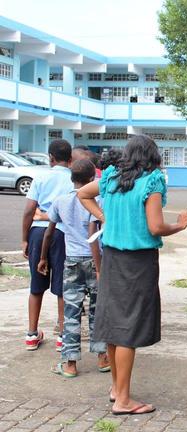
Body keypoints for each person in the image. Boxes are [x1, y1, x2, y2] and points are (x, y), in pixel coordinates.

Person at [78, 135, 187, 415]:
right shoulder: (152, 180)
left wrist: (105, 217)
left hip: (112, 258)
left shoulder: (111, 176)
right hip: (138, 262)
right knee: (128, 330)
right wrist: (179, 225)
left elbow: (82, 193)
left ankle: (116, 389)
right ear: (153, 155)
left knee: (113, 326)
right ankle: (123, 401)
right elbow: (155, 227)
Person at [37, 159, 109, 377]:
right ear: (92, 178)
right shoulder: (98, 200)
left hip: (72, 261)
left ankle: (70, 364)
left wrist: (43, 258)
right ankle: (102, 357)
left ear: (71, 178)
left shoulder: (61, 201)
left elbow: (50, 231)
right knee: (98, 310)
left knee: (71, 313)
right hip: (96, 261)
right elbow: (96, 232)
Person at [21, 139, 74, 352]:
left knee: (36, 284)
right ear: (70, 159)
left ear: (50, 158)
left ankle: (32, 334)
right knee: (62, 286)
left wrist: (25, 238)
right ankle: (62, 336)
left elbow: (29, 210)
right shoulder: (73, 179)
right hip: (62, 234)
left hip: (38, 232)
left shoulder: (41, 177)